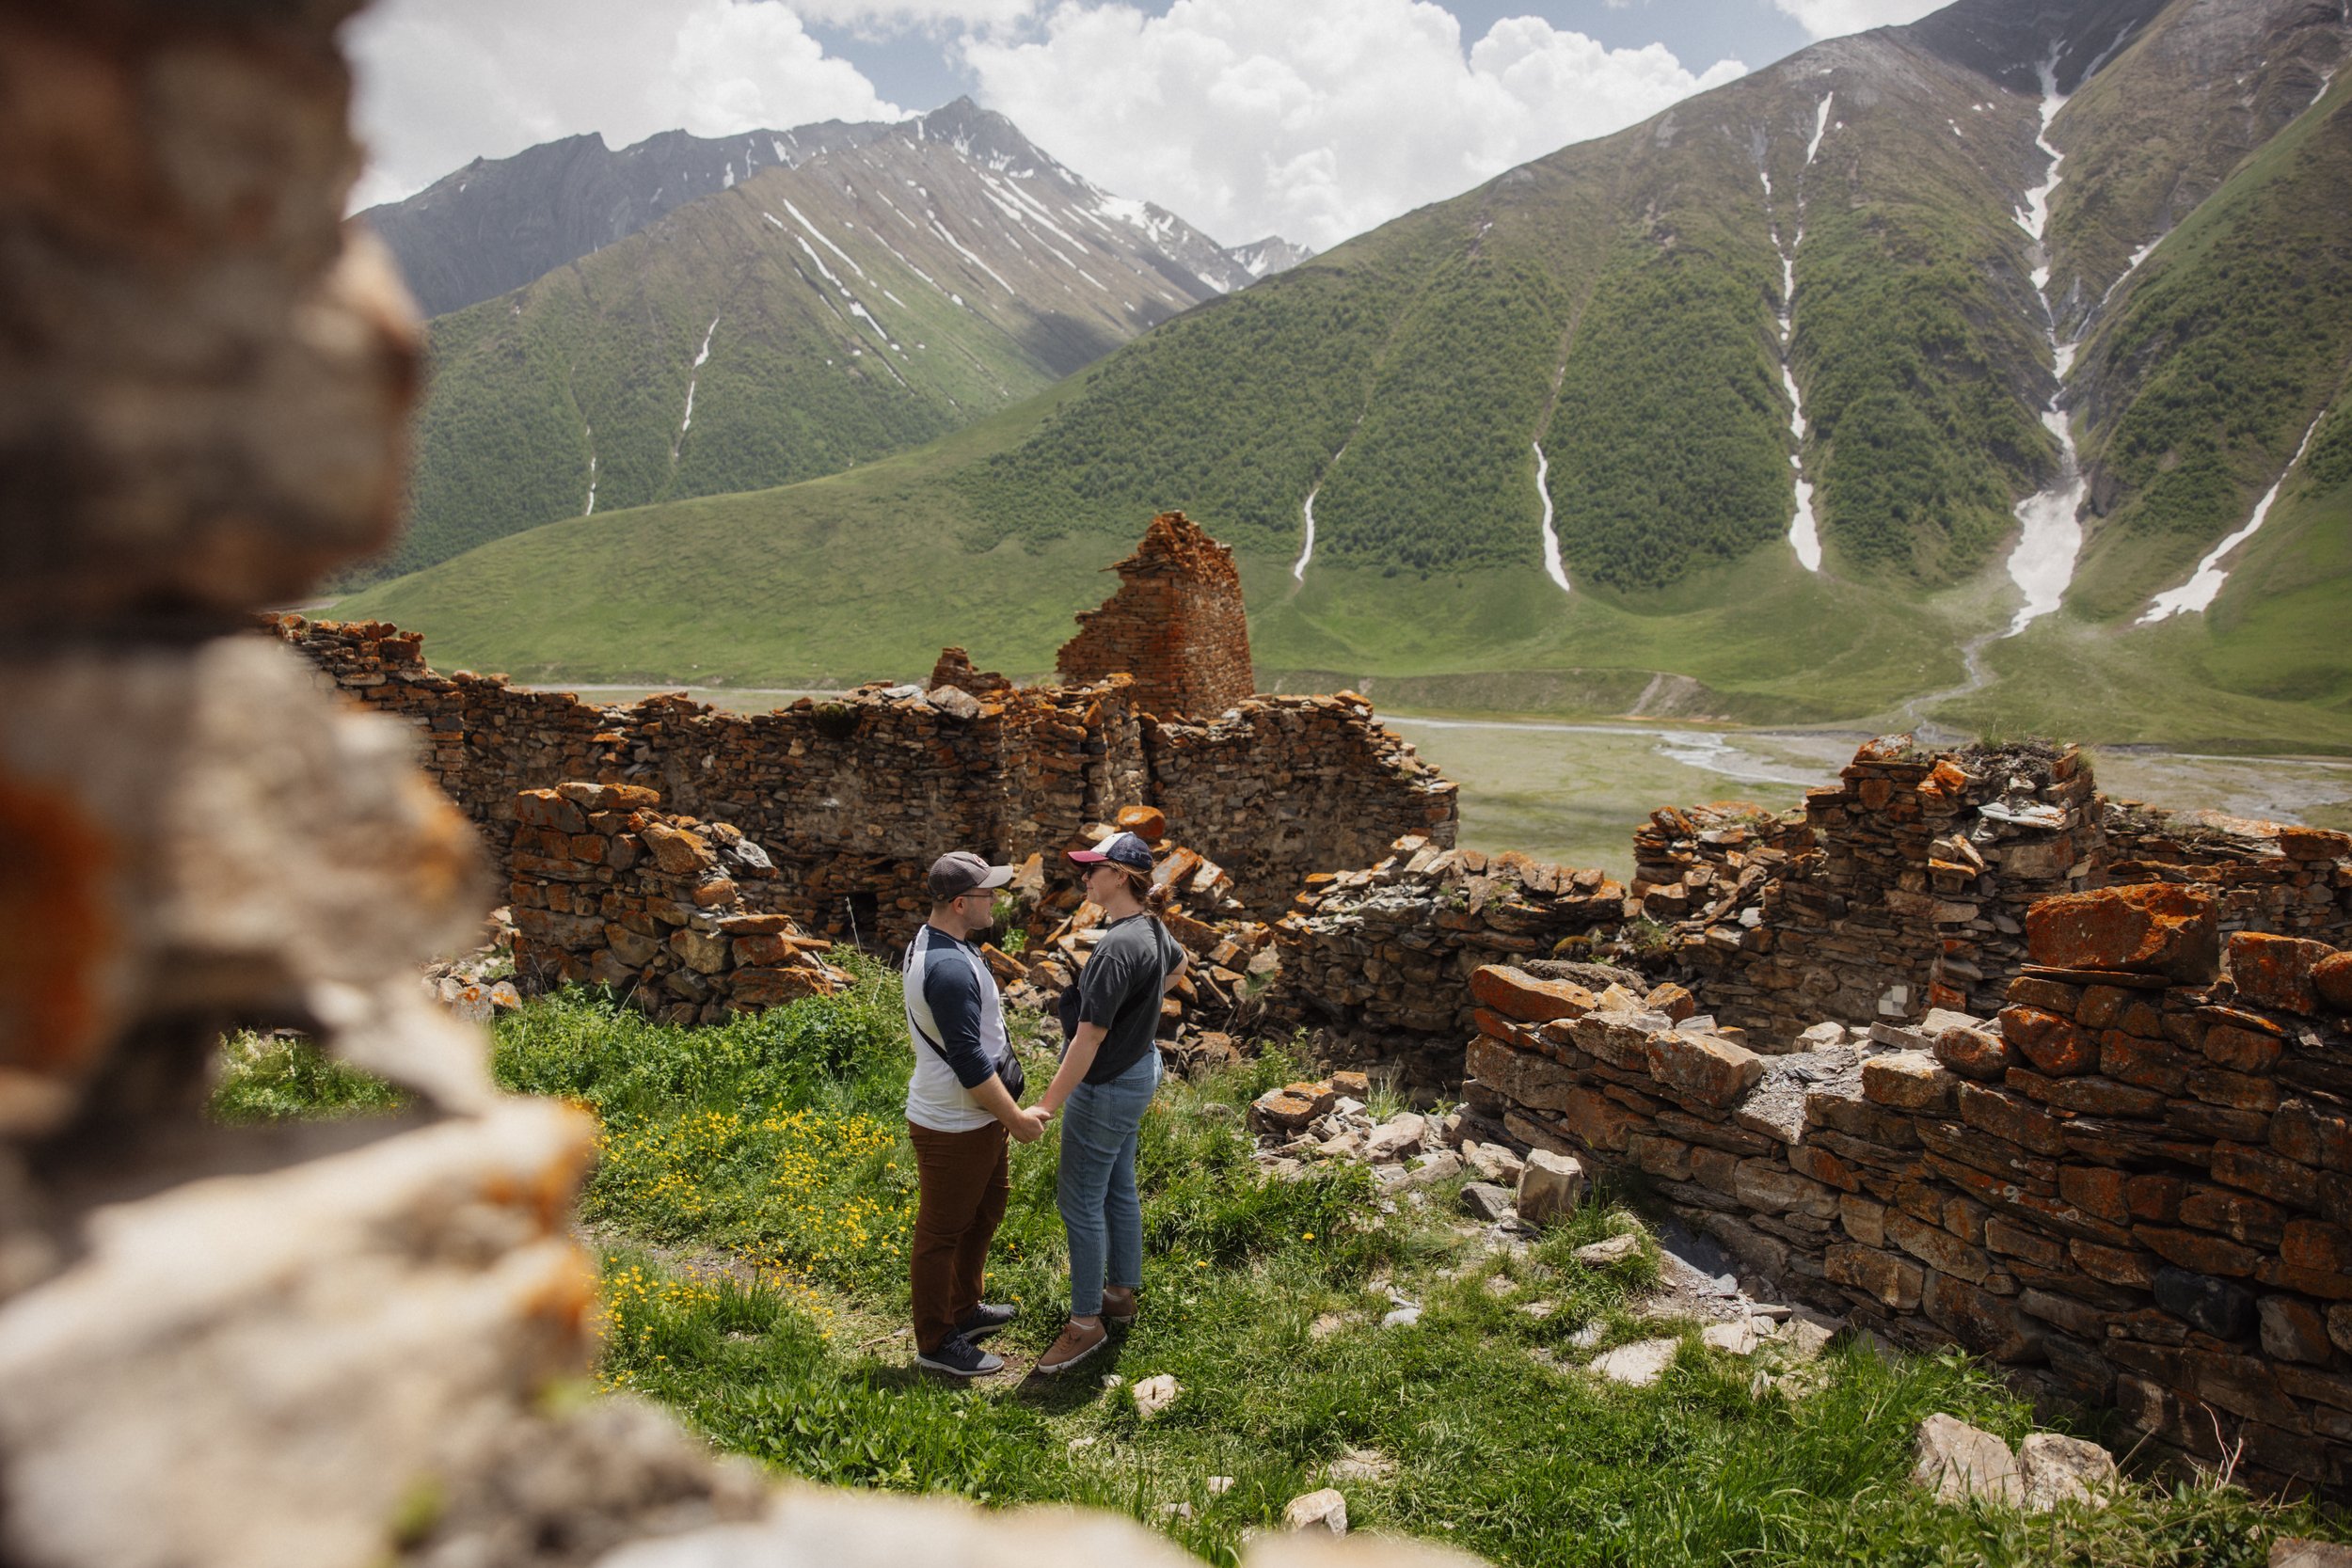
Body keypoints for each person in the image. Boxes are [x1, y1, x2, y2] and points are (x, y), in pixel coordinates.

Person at [1033, 830, 1187, 1374]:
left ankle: (1084, 1323)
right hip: (1140, 1070)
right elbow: (1178, 967)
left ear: (1120, 875)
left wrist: (1047, 1106)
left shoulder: (1116, 946)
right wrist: (1142, 1007)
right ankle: (1119, 1294)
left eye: (1093, 869)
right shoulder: (1151, 927)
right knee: (1119, 1185)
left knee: (1079, 1201)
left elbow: (1088, 1039)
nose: (1084, 877)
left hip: (1106, 1086)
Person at [902, 850, 1049, 1378]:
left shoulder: (948, 944)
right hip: (954, 1122)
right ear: (962, 903)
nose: (998, 901)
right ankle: (937, 1340)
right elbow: (967, 1059)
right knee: (942, 1232)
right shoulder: (947, 969)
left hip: (974, 1118)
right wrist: (1016, 1119)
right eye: (990, 894)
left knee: (985, 1211)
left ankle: (963, 1310)